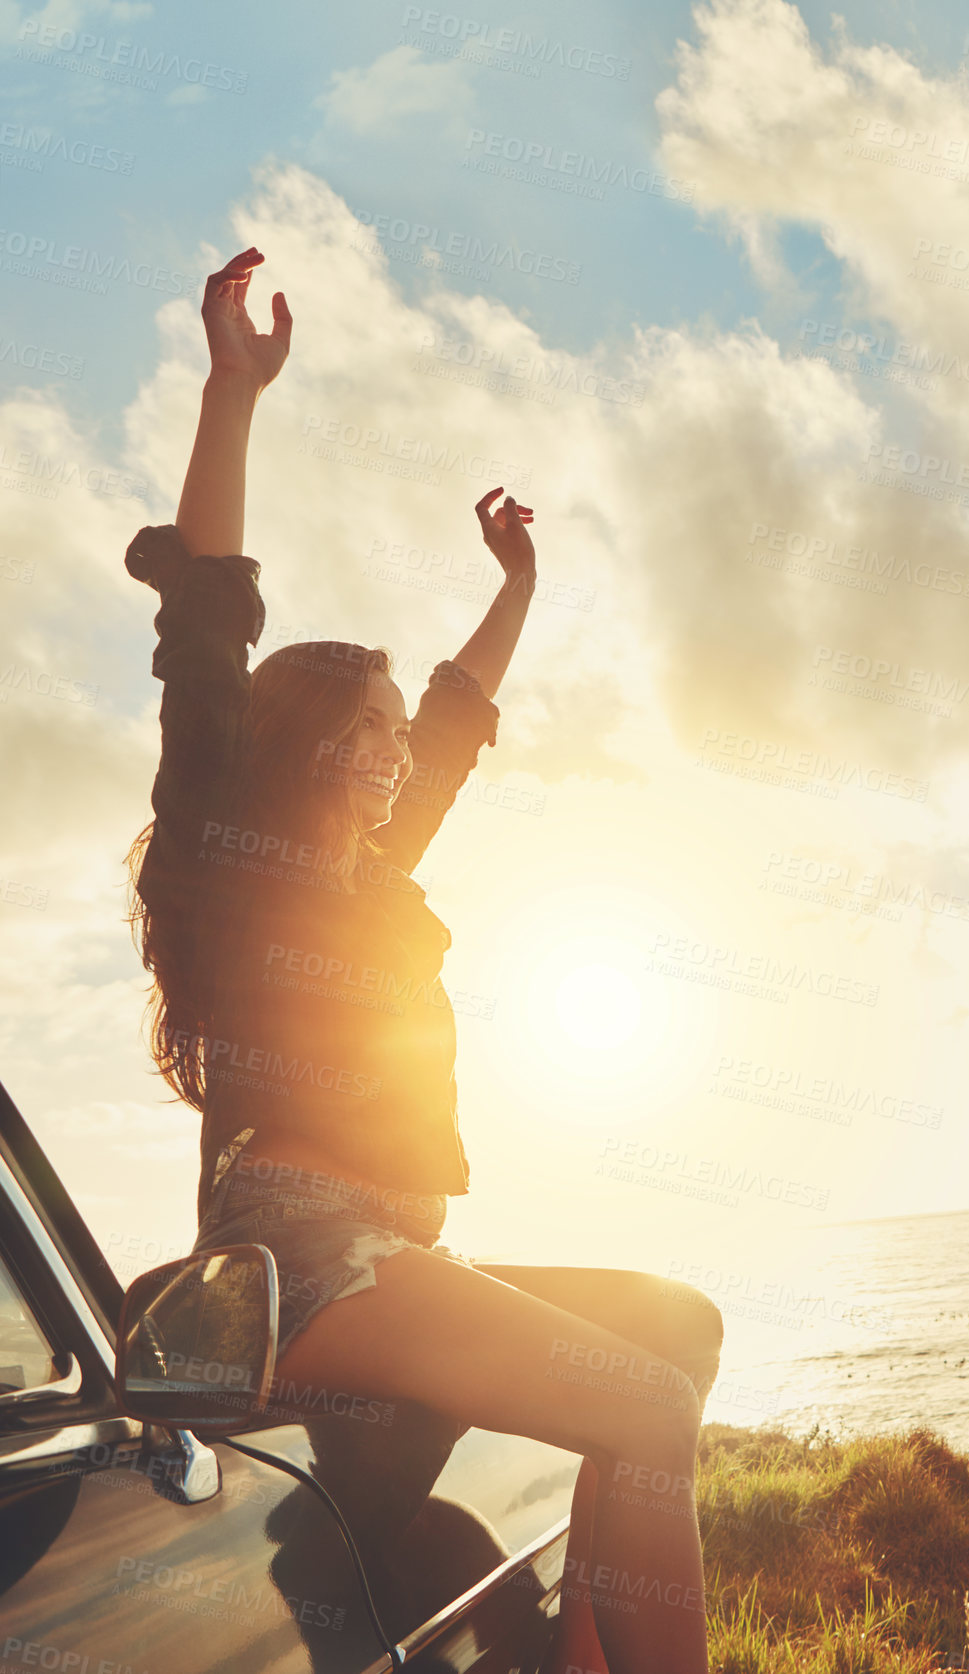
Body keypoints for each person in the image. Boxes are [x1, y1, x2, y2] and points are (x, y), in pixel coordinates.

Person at [123, 246, 724, 1674]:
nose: (404, 748)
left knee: (676, 1330)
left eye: (403, 728)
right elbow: (206, 622)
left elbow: (457, 723)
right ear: (316, 737)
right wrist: (231, 392)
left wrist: (517, 586)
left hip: (396, 1242)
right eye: (377, 722)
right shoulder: (225, 846)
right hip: (306, 1251)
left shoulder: (369, 883)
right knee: (639, 1404)